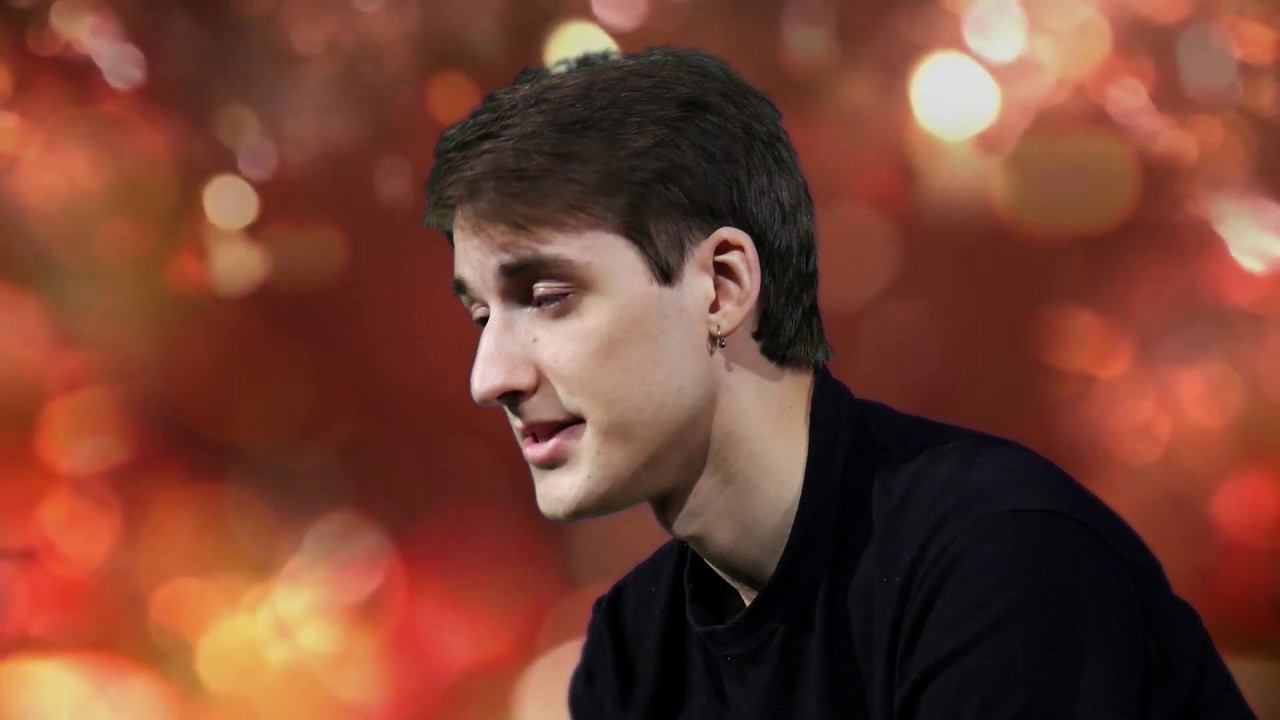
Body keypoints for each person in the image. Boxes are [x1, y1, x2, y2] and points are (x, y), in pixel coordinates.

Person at [424, 47, 1256, 719]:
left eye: (548, 297)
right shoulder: (634, 645)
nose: (490, 377)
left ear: (721, 287)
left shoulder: (1001, 562)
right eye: (481, 315)